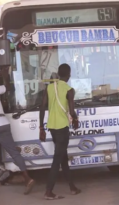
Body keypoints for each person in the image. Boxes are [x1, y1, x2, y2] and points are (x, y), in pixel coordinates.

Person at [39, 63, 81, 200]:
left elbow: (42, 107)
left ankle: (72, 187)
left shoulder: (50, 87)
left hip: (51, 127)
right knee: (58, 159)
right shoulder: (69, 90)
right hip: (62, 128)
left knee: (63, 157)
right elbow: (72, 110)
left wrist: (41, 127)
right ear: (69, 74)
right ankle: (48, 191)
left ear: (58, 73)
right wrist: (75, 119)